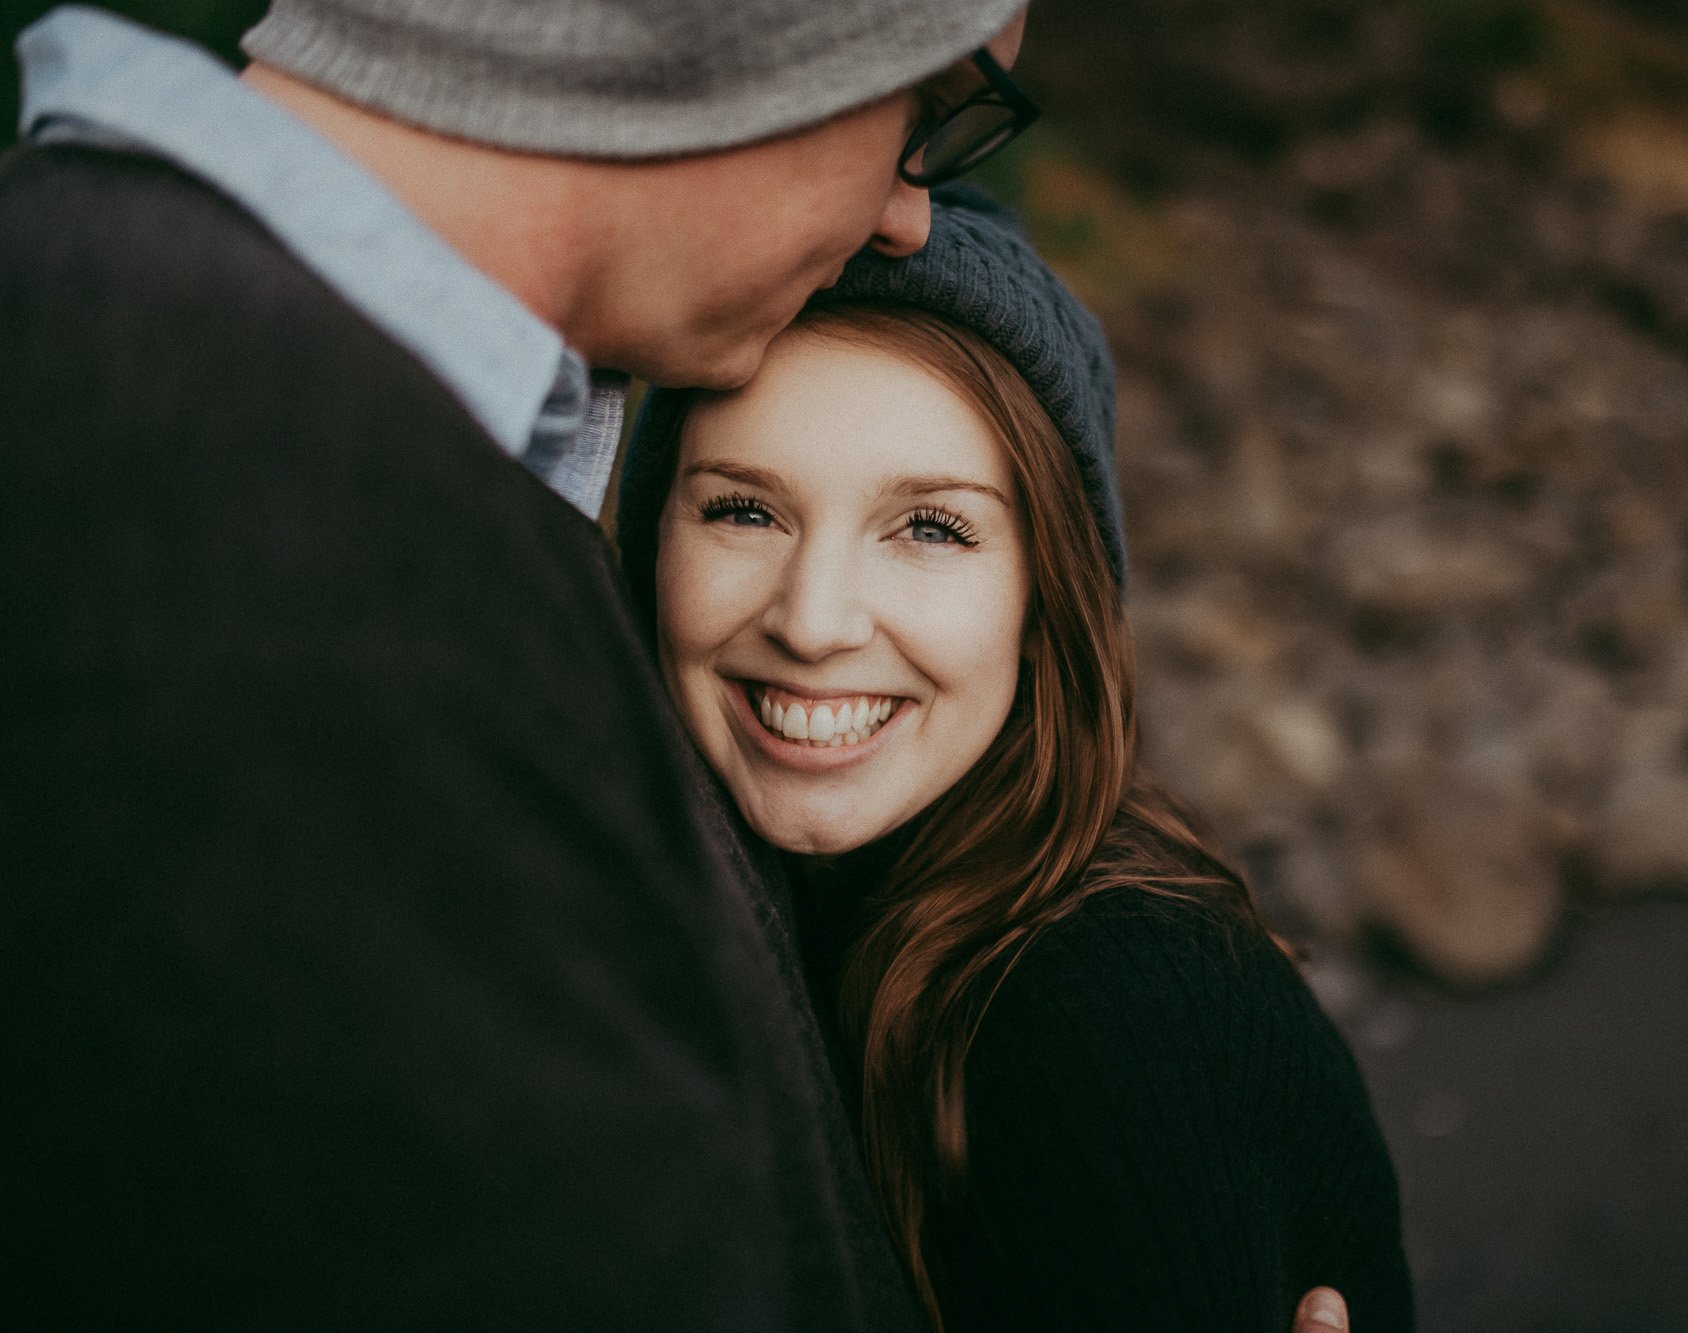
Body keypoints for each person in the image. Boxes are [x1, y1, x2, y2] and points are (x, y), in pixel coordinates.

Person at [0, 1, 1032, 1326]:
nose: (909, 216)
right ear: (750, 33)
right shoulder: (268, 513)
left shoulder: (274, 429)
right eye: (930, 105)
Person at [616, 186, 1415, 1332]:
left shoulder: (1101, 1010)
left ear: (1047, 593)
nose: (814, 619)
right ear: (652, 541)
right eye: (744, 511)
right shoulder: (739, 892)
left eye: (928, 528)